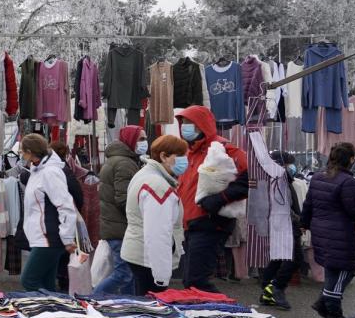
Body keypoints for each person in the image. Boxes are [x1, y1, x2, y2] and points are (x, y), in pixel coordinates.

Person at [175, 105, 248, 292]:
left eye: (189, 123)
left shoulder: (223, 149)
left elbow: (250, 177)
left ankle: (228, 313)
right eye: (182, 123)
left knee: (196, 281)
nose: (184, 127)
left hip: (210, 222)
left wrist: (220, 198)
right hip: (191, 223)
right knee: (192, 281)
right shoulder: (189, 153)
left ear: (202, 124)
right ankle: (210, 314)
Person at [300, 142, 355, 318]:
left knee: (333, 269)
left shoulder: (317, 178)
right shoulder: (348, 182)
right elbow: (353, 211)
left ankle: (324, 304)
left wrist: (304, 224)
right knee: (346, 270)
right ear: (350, 160)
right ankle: (332, 312)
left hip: (320, 231)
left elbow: (308, 204)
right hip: (340, 233)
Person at [121, 135, 188, 296]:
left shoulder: (146, 175)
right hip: (148, 258)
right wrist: (162, 275)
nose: (184, 160)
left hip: (140, 253)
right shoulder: (158, 185)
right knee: (151, 308)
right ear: (164, 156)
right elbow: (158, 233)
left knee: (144, 306)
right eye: (179, 156)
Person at [18, 134, 78, 292]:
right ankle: (51, 313)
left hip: (49, 238)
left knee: (29, 280)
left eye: (22, 151)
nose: (21, 155)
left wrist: (67, 237)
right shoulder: (38, 171)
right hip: (43, 236)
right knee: (47, 284)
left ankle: (47, 311)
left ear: (30, 152)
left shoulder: (50, 172)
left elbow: (65, 204)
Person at [94, 125, 146, 296]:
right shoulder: (125, 163)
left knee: (127, 276)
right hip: (121, 227)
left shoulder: (119, 160)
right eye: (141, 139)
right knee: (124, 274)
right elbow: (124, 199)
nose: (145, 143)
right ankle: (93, 299)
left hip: (116, 225)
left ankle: (129, 304)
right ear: (131, 140)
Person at [259, 151, 305, 310]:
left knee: (278, 257)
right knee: (295, 258)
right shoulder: (280, 180)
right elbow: (285, 205)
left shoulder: (277, 179)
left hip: (281, 223)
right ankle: (277, 288)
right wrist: (299, 220)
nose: (290, 167)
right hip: (287, 224)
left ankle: (266, 289)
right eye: (288, 164)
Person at [49, 140, 84, 291]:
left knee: (61, 251)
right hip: (60, 216)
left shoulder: (61, 169)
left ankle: (61, 281)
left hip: (59, 216)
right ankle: (61, 280)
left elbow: (76, 194)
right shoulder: (64, 168)